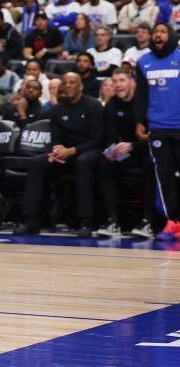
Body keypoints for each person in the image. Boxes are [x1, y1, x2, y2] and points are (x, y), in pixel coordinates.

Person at [14, 73, 104, 237]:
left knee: (83, 162)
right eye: (64, 83)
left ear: (81, 87)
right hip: (65, 153)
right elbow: (56, 140)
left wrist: (72, 151)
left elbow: (98, 140)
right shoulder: (57, 110)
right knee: (37, 162)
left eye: (72, 82)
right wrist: (57, 152)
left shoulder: (93, 106)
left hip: (90, 152)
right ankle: (30, 220)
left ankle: (86, 221)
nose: (67, 86)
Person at [132, 23, 180, 240]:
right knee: (164, 176)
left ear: (170, 35)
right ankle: (173, 222)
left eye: (163, 31)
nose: (158, 35)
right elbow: (141, 96)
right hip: (158, 128)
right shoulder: (143, 62)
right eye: (156, 32)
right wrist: (140, 121)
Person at [96, 69, 154, 238]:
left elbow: (155, 137)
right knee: (107, 164)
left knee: (150, 165)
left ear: (132, 82)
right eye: (114, 81)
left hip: (147, 150)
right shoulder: (112, 104)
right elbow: (111, 136)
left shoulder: (145, 102)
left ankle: (148, 221)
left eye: (122, 80)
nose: (118, 84)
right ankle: (112, 221)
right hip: (126, 152)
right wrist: (111, 150)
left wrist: (133, 146)